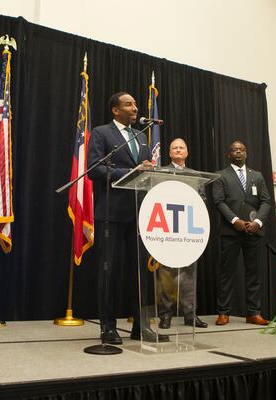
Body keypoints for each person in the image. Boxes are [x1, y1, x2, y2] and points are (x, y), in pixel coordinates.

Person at [87, 91, 168, 344]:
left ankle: (141, 327)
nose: (134, 108)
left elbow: (144, 172)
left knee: (141, 274)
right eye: (128, 104)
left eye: (134, 104)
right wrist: (130, 171)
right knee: (108, 272)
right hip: (111, 213)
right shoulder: (102, 133)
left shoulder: (141, 136)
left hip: (139, 214)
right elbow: (94, 169)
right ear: (115, 110)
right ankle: (108, 328)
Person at [212, 140, 271, 326]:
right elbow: (218, 201)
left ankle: (253, 313)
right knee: (226, 273)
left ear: (246, 154)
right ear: (228, 155)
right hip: (231, 231)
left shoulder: (258, 176)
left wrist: (258, 222)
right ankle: (223, 312)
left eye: (241, 150)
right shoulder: (220, 176)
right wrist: (235, 220)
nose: (238, 152)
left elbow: (266, 202)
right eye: (234, 150)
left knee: (254, 273)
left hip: (253, 231)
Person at [157, 138, 208, 329]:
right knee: (166, 275)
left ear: (186, 152)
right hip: (167, 229)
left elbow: (202, 199)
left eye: (181, 147)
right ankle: (166, 316)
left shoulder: (196, 175)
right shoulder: (161, 172)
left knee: (189, 275)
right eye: (174, 148)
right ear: (169, 153)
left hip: (189, 230)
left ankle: (190, 315)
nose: (178, 150)